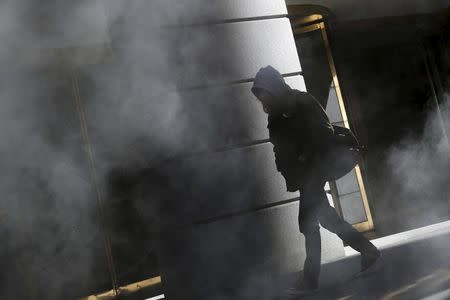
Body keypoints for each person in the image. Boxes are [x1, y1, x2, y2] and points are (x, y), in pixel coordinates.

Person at [251, 65, 381, 293]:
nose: (262, 97)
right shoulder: (275, 115)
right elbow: (278, 146)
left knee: (307, 224)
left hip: (313, 171)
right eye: (259, 93)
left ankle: (310, 280)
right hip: (303, 176)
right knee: (326, 219)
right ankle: (367, 250)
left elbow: (324, 132)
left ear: (274, 88)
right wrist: (284, 165)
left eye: (264, 91)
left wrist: (304, 155)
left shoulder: (302, 102)